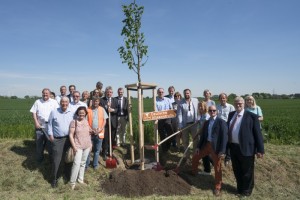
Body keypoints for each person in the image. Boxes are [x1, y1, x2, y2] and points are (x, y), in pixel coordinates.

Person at [227, 96, 264, 196]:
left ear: (244, 104)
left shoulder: (252, 116)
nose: (238, 105)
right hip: (233, 148)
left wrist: (260, 150)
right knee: (237, 169)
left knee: (247, 171)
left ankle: (246, 191)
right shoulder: (231, 114)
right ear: (234, 104)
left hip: (247, 148)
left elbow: (258, 134)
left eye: (240, 103)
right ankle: (240, 188)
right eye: (236, 103)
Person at [191, 105, 228, 196]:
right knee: (195, 157)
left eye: (214, 110)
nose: (212, 112)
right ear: (208, 112)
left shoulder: (221, 122)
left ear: (217, 112)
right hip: (206, 144)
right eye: (210, 111)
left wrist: (222, 151)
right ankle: (194, 172)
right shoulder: (207, 122)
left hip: (216, 148)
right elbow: (203, 136)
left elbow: (224, 137)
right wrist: (198, 147)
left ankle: (218, 186)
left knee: (217, 166)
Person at [47, 97, 75, 188]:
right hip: (58, 139)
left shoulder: (72, 113)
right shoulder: (54, 112)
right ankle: (54, 178)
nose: (64, 103)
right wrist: (51, 135)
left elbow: (76, 123)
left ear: (68, 103)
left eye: (66, 102)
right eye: (62, 102)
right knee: (56, 159)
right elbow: (49, 124)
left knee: (68, 158)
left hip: (69, 139)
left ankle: (67, 174)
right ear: (60, 102)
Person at [30, 88, 59, 163]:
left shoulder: (54, 102)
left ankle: (51, 160)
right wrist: (36, 123)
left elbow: (57, 113)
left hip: (50, 126)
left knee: (50, 143)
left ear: (49, 94)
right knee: (39, 143)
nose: (45, 94)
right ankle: (40, 159)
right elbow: (33, 113)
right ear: (42, 93)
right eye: (44, 93)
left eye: (47, 93)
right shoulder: (37, 102)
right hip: (40, 125)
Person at [69, 106, 92, 190]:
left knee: (83, 163)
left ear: (85, 113)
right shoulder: (74, 122)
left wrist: (90, 145)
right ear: (77, 113)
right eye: (80, 112)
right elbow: (71, 135)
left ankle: (80, 180)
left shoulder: (86, 121)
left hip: (87, 146)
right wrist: (74, 146)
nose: (81, 114)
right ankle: (72, 182)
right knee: (76, 164)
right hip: (78, 146)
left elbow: (89, 133)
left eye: (83, 112)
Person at [86, 97, 107, 168]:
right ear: (92, 101)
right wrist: (90, 129)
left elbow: (104, 120)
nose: (95, 102)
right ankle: (87, 164)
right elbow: (85, 121)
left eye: (97, 101)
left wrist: (100, 129)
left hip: (100, 132)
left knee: (97, 150)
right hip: (90, 133)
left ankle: (95, 164)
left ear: (99, 102)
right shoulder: (88, 110)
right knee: (88, 149)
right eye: (94, 101)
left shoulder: (102, 109)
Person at [177, 88, 199, 157]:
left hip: (194, 124)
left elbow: (199, 111)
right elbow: (179, 114)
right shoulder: (181, 103)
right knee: (185, 141)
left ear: (190, 93)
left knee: (195, 140)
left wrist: (198, 119)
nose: (187, 94)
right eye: (185, 93)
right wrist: (180, 125)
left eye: (188, 93)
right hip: (185, 125)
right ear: (184, 94)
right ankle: (187, 156)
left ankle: (195, 156)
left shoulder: (196, 101)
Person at [216, 93, 235, 166]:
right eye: (221, 98)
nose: (222, 99)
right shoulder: (217, 107)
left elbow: (233, 117)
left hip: (228, 125)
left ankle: (228, 158)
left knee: (228, 142)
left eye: (224, 98)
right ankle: (220, 155)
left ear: (226, 99)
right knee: (220, 140)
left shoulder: (230, 107)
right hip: (219, 126)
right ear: (219, 99)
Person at [101, 86, 118, 160]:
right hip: (105, 122)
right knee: (105, 138)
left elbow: (118, 110)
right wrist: (106, 108)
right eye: (107, 92)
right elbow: (101, 110)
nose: (109, 93)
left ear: (112, 93)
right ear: (105, 93)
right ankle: (104, 153)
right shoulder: (102, 100)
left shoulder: (115, 100)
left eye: (110, 92)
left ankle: (110, 152)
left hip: (113, 122)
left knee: (112, 138)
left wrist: (113, 110)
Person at [156, 88, 174, 154]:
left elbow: (171, 109)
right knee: (162, 135)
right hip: (159, 120)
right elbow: (155, 111)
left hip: (167, 119)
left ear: (164, 93)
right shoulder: (155, 100)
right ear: (157, 93)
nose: (161, 93)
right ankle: (164, 150)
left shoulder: (168, 100)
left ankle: (167, 146)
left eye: (162, 92)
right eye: (159, 92)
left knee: (171, 134)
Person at [197, 100, 211, 175]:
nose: (200, 108)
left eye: (201, 106)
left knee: (204, 152)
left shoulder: (206, 115)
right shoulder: (202, 115)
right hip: (202, 136)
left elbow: (204, 127)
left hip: (205, 137)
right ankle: (211, 165)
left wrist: (197, 134)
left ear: (205, 107)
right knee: (206, 152)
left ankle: (207, 170)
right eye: (199, 106)